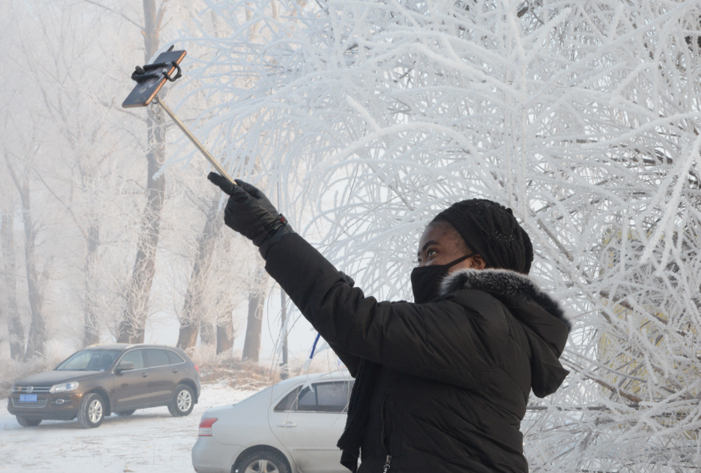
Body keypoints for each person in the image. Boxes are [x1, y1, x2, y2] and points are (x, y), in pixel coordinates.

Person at [208, 173, 571, 473]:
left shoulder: (484, 322)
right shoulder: (461, 335)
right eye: (419, 256)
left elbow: (359, 320)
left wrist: (272, 233)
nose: (420, 268)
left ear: (477, 265)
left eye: (432, 253)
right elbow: (367, 349)